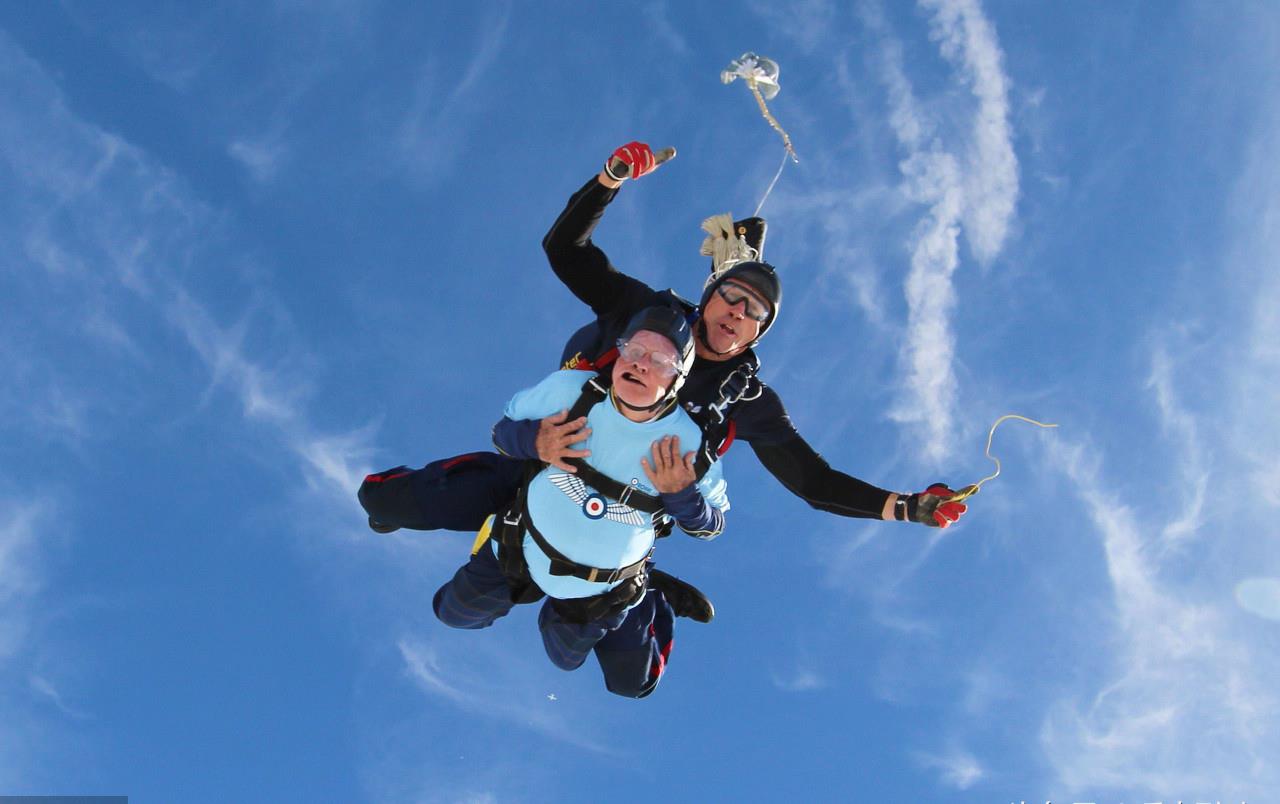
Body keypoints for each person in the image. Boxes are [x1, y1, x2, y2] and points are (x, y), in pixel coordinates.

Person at [359, 140, 966, 547]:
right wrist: (609, 179)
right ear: (708, 297)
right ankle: (401, 505)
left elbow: (815, 482)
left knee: (624, 670)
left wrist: (906, 506)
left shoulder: (746, 401)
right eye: (731, 296)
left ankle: (644, 599)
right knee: (384, 504)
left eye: (754, 313)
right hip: (541, 462)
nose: (737, 312)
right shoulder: (644, 313)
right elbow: (565, 251)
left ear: (759, 333)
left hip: (618, 516)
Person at [432, 307, 727, 698]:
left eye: (660, 361)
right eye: (634, 350)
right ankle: (482, 518)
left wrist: (682, 496)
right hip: (521, 545)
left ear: (678, 378)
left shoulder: (689, 446)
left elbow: (712, 526)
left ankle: (650, 596)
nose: (640, 364)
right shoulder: (572, 391)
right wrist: (532, 440)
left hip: (601, 588)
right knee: (452, 612)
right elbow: (501, 431)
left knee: (575, 662)